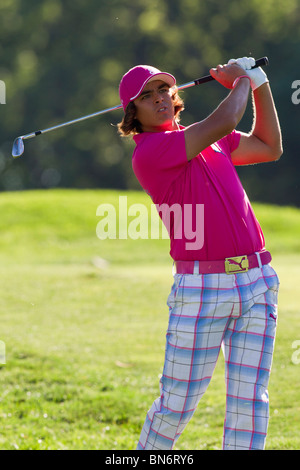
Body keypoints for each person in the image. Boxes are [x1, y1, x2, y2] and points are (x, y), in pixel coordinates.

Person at [117, 57, 282, 450]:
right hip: (201, 288)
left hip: (257, 281)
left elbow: (270, 147)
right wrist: (241, 79)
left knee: (249, 407)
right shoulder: (151, 153)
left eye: (164, 89)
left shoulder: (209, 139)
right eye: (147, 95)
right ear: (133, 111)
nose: (159, 98)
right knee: (176, 405)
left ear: (175, 95)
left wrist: (259, 83)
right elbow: (222, 122)